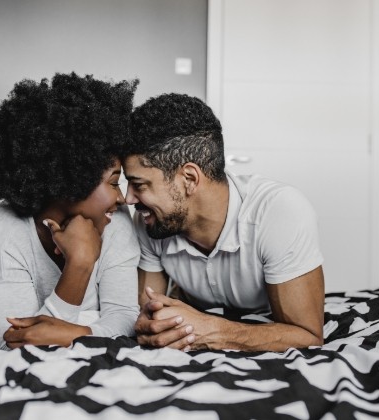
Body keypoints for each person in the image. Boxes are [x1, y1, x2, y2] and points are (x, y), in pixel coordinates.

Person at [122, 93, 325, 352]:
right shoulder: (151, 219)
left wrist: (212, 330)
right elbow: (147, 313)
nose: (128, 198)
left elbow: (307, 335)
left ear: (189, 179)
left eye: (139, 185)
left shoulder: (279, 211)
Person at [0, 73, 140, 350]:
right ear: (70, 180)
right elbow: (16, 342)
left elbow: (124, 316)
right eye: (113, 182)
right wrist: (80, 265)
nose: (122, 198)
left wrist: (72, 334)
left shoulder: (116, 222)